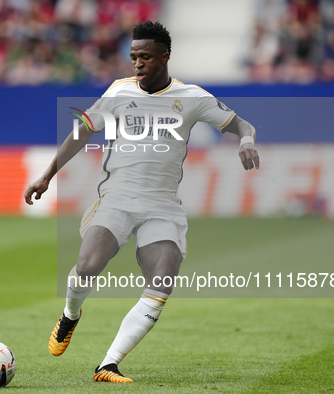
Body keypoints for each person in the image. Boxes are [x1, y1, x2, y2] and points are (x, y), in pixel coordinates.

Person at [24, 21, 260, 383]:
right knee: (87, 266)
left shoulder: (192, 98)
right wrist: (47, 174)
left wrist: (246, 141)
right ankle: (71, 315)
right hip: (117, 198)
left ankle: (108, 364)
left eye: (145, 57)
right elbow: (82, 130)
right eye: (133, 57)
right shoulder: (119, 92)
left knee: (162, 282)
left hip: (163, 205)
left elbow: (242, 125)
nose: (137, 63)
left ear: (165, 57)